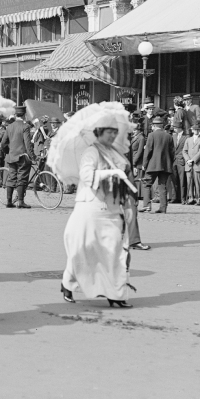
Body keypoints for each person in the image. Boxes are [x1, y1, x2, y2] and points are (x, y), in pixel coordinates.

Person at [60, 115, 134, 309]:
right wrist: (110, 173)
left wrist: (126, 204)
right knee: (83, 250)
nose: (112, 136)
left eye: (115, 133)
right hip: (90, 207)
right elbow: (86, 175)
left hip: (111, 207)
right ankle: (67, 283)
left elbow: (122, 181)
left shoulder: (114, 153)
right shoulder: (91, 152)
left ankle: (116, 294)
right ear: (99, 132)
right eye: (109, 132)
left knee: (115, 250)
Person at [0, 105, 33, 209]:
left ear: (15, 114)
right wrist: (32, 156)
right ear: (24, 115)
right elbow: (28, 144)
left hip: (12, 156)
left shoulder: (9, 126)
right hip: (22, 157)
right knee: (22, 178)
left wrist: (8, 152)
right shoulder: (25, 126)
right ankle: (20, 202)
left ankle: (9, 202)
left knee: (11, 177)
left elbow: (3, 143)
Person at [141, 115, 174, 213]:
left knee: (147, 184)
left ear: (154, 126)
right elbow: (172, 152)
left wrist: (144, 164)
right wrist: (170, 163)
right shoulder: (168, 136)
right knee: (162, 186)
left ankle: (147, 205)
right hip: (165, 165)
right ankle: (163, 208)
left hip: (153, 164)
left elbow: (148, 150)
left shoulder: (151, 135)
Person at [184, 123, 200, 205]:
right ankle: (191, 198)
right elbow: (184, 151)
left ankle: (199, 199)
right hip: (189, 164)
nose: (196, 131)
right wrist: (187, 160)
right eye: (194, 129)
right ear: (192, 130)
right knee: (189, 182)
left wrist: (193, 160)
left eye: (198, 129)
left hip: (197, 163)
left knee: (198, 183)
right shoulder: (188, 139)